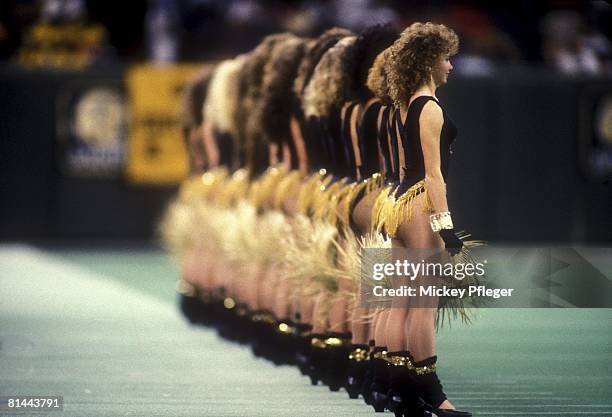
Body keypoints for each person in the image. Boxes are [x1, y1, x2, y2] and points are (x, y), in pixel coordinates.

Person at [376, 22, 472, 417]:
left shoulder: (405, 103)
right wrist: (445, 227)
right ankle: (434, 396)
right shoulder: (429, 107)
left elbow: (400, 165)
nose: (451, 66)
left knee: (401, 300)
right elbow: (434, 176)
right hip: (420, 205)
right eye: (446, 58)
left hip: (397, 203)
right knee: (423, 305)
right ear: (430, 61)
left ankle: (398, 390)